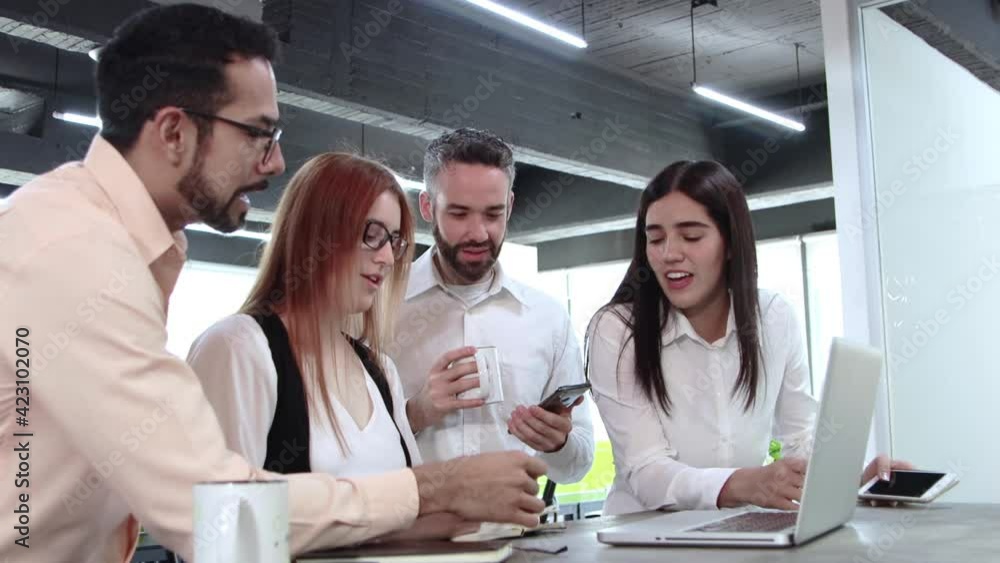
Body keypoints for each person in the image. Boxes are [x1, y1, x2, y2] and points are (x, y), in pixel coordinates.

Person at [0, 6, 544, 563]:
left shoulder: (125, 249)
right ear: (173, 132)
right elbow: (210, 513)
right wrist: (433, 488)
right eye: (260, 134)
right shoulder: (72, 251)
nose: (277, 161)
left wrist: (445, 507)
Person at [586, 160, 911, 516]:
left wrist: (851, 482)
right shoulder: (617, 330)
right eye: (656, 239)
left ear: (730, 243)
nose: (669, 254)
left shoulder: (773, 317)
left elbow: (799, 438)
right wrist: (746, 484)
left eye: (691, 237)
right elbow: (645, 470)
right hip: (643, 536)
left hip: (740, 532)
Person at [389, 128, 594, 487]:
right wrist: (414, 414)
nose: (479, 233)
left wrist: (558, 444)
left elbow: (577, 467)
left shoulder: (548, 319)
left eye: (493, 214)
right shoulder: (377, 308)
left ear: (510, 206)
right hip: (412, 521)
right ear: (427, 207)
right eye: (459, 214)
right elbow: (344, 453)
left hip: (517, 522)